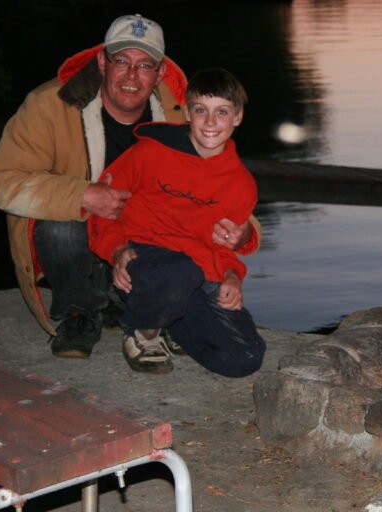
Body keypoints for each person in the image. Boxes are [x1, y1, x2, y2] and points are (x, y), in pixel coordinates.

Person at [0, 14, 260, 359]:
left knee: (236, 345)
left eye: (145, 66)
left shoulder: (181, 112)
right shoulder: (48, 105)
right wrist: (81, 194)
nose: (132, 75)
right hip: (83, 235)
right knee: (60, 227)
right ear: (101, 61)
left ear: (159, 73)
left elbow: (221, 188)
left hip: (151, 244)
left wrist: (245, 234)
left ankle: (135, 304)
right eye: (121, 62)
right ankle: (78, 312)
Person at [88, 68, 265, 376]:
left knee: (245, 358)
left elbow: (224, 245)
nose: (210, 123)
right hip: (147, 259)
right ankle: (142, 330)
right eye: (201, 111)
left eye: (221, 112)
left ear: (237, 117)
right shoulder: (148, 154)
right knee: (180, 272)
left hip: (199, 271)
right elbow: (104, 207)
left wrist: (232, 276)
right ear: (187, 113)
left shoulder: (242, 184)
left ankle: (174, 324)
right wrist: (116, 250)